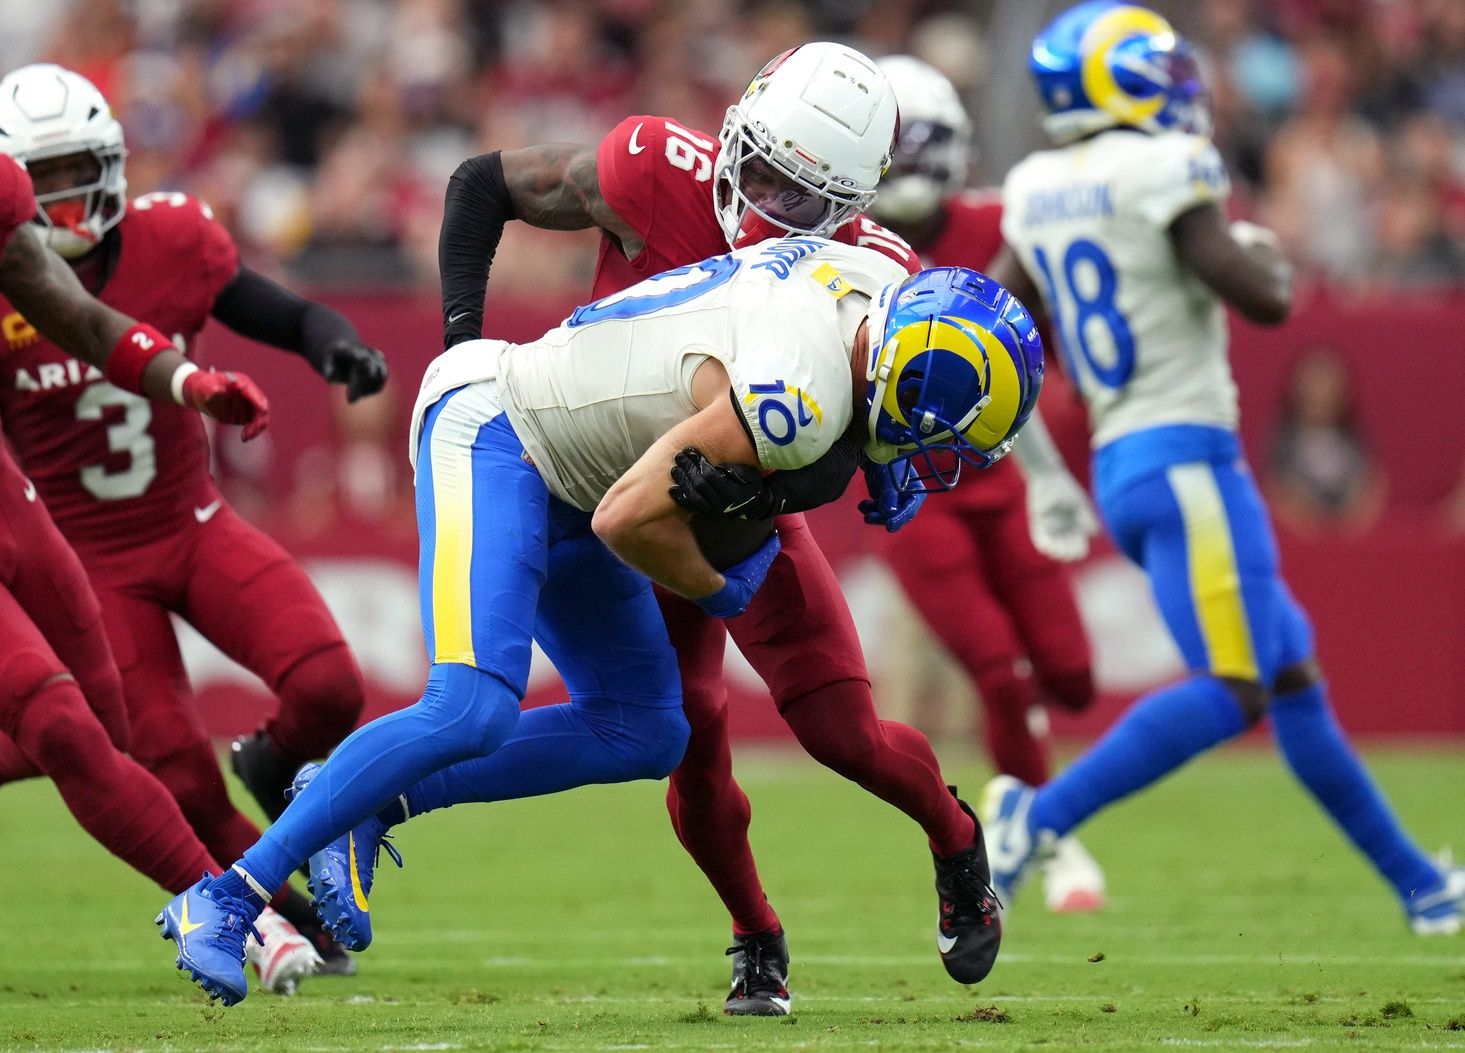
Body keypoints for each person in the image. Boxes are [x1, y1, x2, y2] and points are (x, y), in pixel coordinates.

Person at [154, 239, 1045, 1008]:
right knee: (470, 704)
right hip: (500, 430)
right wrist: (720, 589)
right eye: (940, 438)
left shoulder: (869, 285)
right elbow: (630, 519)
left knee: (646, 729)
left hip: (580, 471)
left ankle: (365, 801)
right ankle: (227, 896)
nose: (935, 462)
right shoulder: (798, 401)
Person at [431, 42, 1007, 1015]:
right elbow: (480, 184)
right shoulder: (662, 167)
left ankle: (956, 842)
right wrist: (461, 352)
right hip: (618, 496)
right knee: (689, 744)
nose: (771, 207)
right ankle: (755, 937)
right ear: (738, 134)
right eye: (767, 172)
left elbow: (865, 440)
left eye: (804, 196)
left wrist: (775, 490)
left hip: (747, 508)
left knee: (843, 732)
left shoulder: (873, 267)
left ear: (855, 201)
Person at [981, 0, 1463, 936]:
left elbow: (995, 325)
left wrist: (1040, 468)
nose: (1177, 90)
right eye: (1157, 73)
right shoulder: (1164, 167)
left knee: (1289, 676)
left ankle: (1421, 886)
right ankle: (1033, 818)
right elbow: (1265, 300)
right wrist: (1255, 248)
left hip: (1127, 464)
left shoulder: (1038, 183)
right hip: (1189, 456)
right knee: (1234, 686)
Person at [0, 64, 388, 971]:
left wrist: (335, 343)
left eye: (74, 174)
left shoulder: (173, 237)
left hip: (192, 520)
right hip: (87, 558)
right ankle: (292, 913)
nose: (61, 203)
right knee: (168, 767)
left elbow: (279, 312)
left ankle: (269, 763)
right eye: (40, 181)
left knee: (331, 682)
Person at [865, 54, 1104, 914]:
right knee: (1000, 674)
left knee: (1072, 676)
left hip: (1004, 479)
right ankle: (1050, 832)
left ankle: (1025, 801)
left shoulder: (1005, 225)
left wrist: (1050, 475)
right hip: (911, 493)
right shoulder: (840, 247)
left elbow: (1052, 350)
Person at [1265, 346, 1385, 534]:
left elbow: (1373, 487)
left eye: (1328, 383)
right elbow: (1275, 490)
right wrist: (1302, 522)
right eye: (1313, 383)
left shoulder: (1356, 444)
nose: (1320, 391)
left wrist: (1353, 522)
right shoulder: (1281, 446)